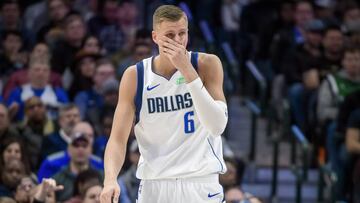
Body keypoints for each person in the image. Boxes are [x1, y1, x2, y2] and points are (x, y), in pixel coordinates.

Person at [101, 5, 228, 203]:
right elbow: (117, 139)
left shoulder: (207, 64)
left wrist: (187, 71)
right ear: (155, 37)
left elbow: (217, 126)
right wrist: (110, 180)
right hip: (155, 186)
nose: (178, 41)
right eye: (170, 34)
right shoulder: (136, 76)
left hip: (200, 184)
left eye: (182, 33)